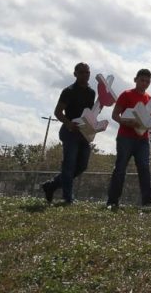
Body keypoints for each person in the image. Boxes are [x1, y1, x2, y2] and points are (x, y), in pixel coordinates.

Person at [41, 62, 95, 204]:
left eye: (87, 72)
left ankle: (51, 185)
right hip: (70, 132)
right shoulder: (69, 91)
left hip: (84, 134)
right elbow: (58, 112)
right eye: (82, 72)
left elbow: (89, 113)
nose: (85, 75)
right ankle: (68, 198)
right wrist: (68, 123)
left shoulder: (91, 92)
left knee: (82, 165)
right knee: (69, 165)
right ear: (75, 74)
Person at [106, 69, 151, 208]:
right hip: (125, 138)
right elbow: (115, 115)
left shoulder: (150, 99)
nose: (144, 83)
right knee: (120, 168)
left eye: (147, 81)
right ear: (136, 80)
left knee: (145, 168)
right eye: (142, 80)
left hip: (143, 139)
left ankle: (148, 202)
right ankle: (112, 201)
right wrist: (127, 122)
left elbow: (149, 119)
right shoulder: (126, 94)